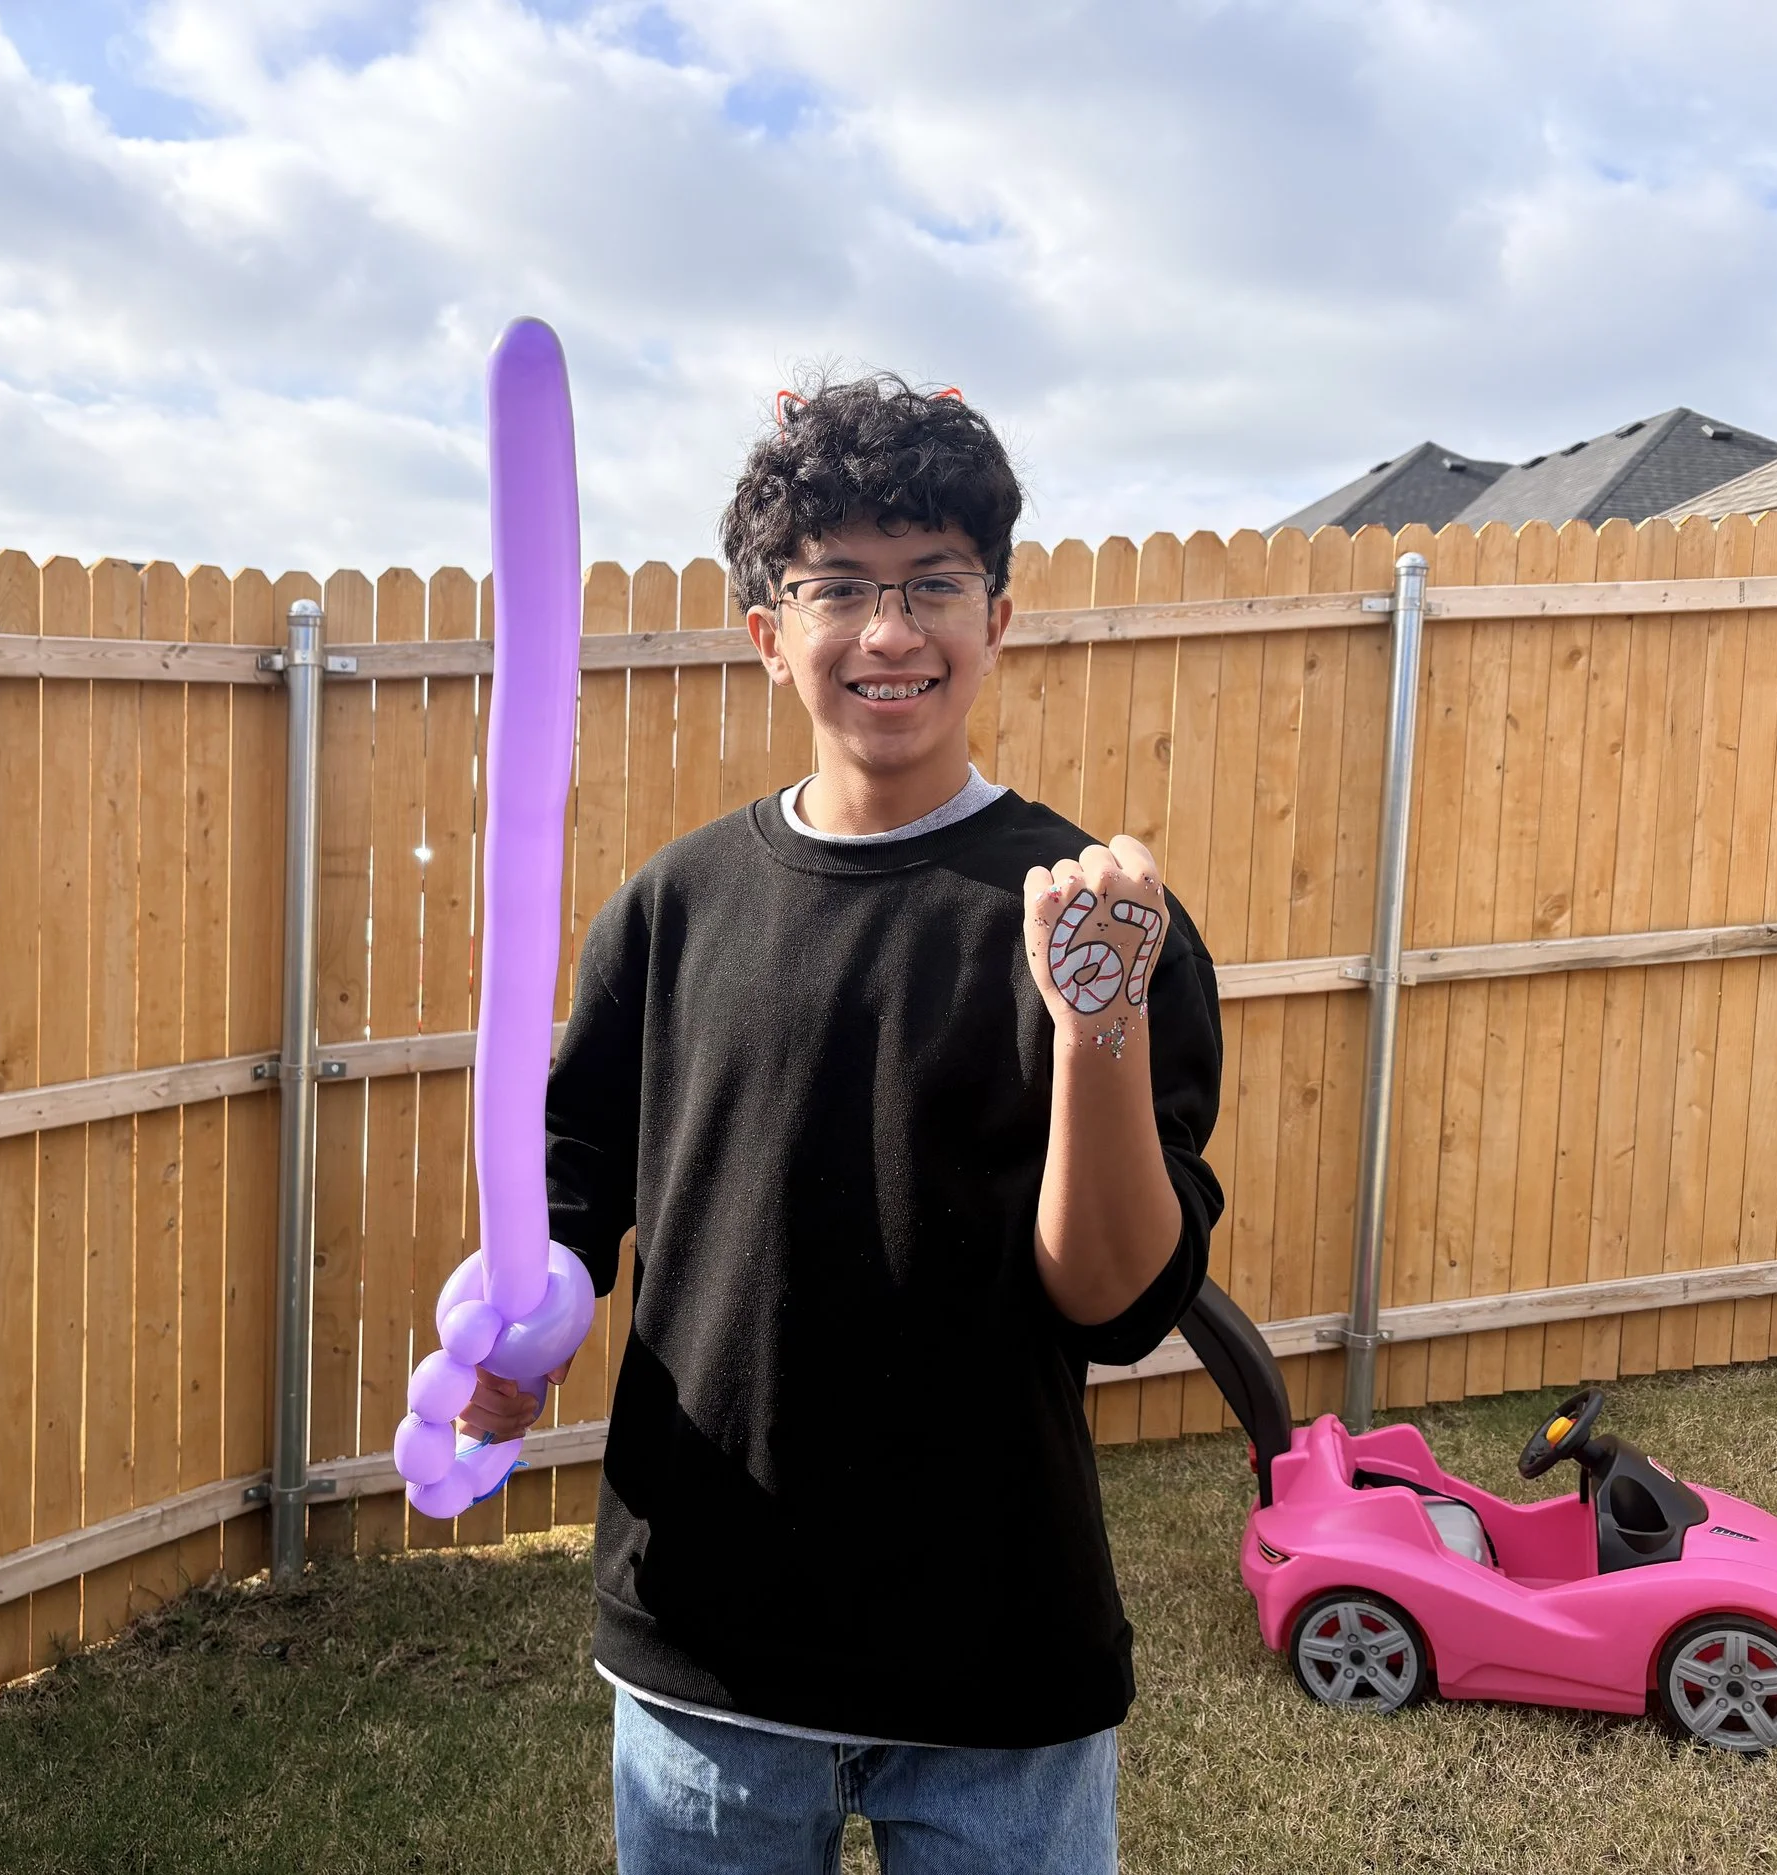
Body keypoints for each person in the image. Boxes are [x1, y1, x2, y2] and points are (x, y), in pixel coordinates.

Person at [462, 375, 1223, 1873]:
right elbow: (567, 1184)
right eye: (841, 589)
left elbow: (1120, 1300)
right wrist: (514, 1332)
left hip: (999, 1652)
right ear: (770, 632)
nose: (891, 631)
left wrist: (1094, 1025)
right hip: (711, 1650)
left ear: (998, 615)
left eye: (935, 582)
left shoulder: (1095, 921)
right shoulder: (678, 909)